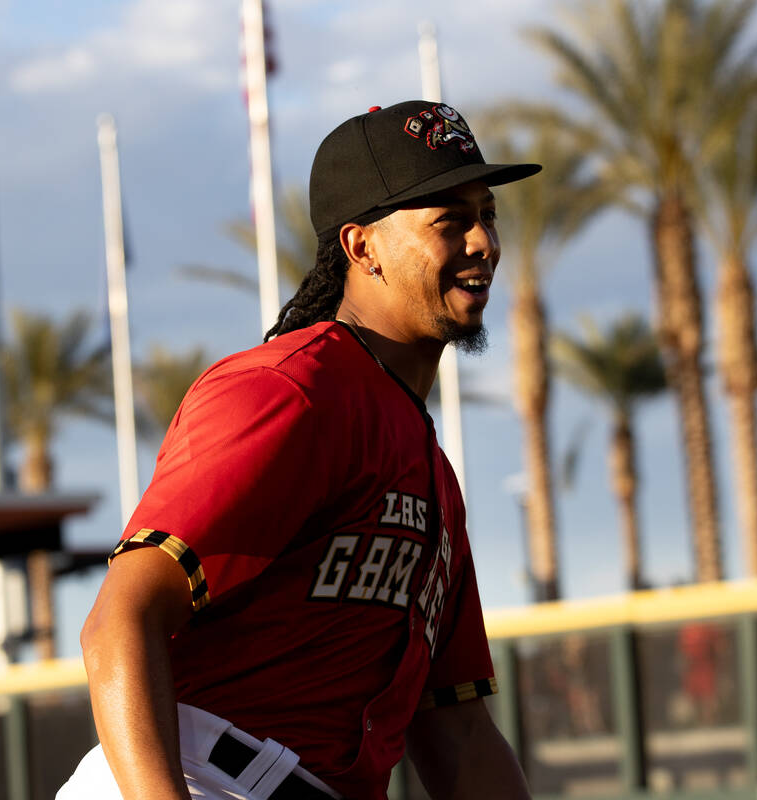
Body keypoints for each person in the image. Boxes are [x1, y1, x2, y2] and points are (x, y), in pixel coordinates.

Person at [58, 100, 540, 800]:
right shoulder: (290, 391)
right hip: (196, 780)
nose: (483, 242)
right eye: (449, 220)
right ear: (361, 246)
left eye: (486, 214)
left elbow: (459, 734)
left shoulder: (432, 474)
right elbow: (119, 621)